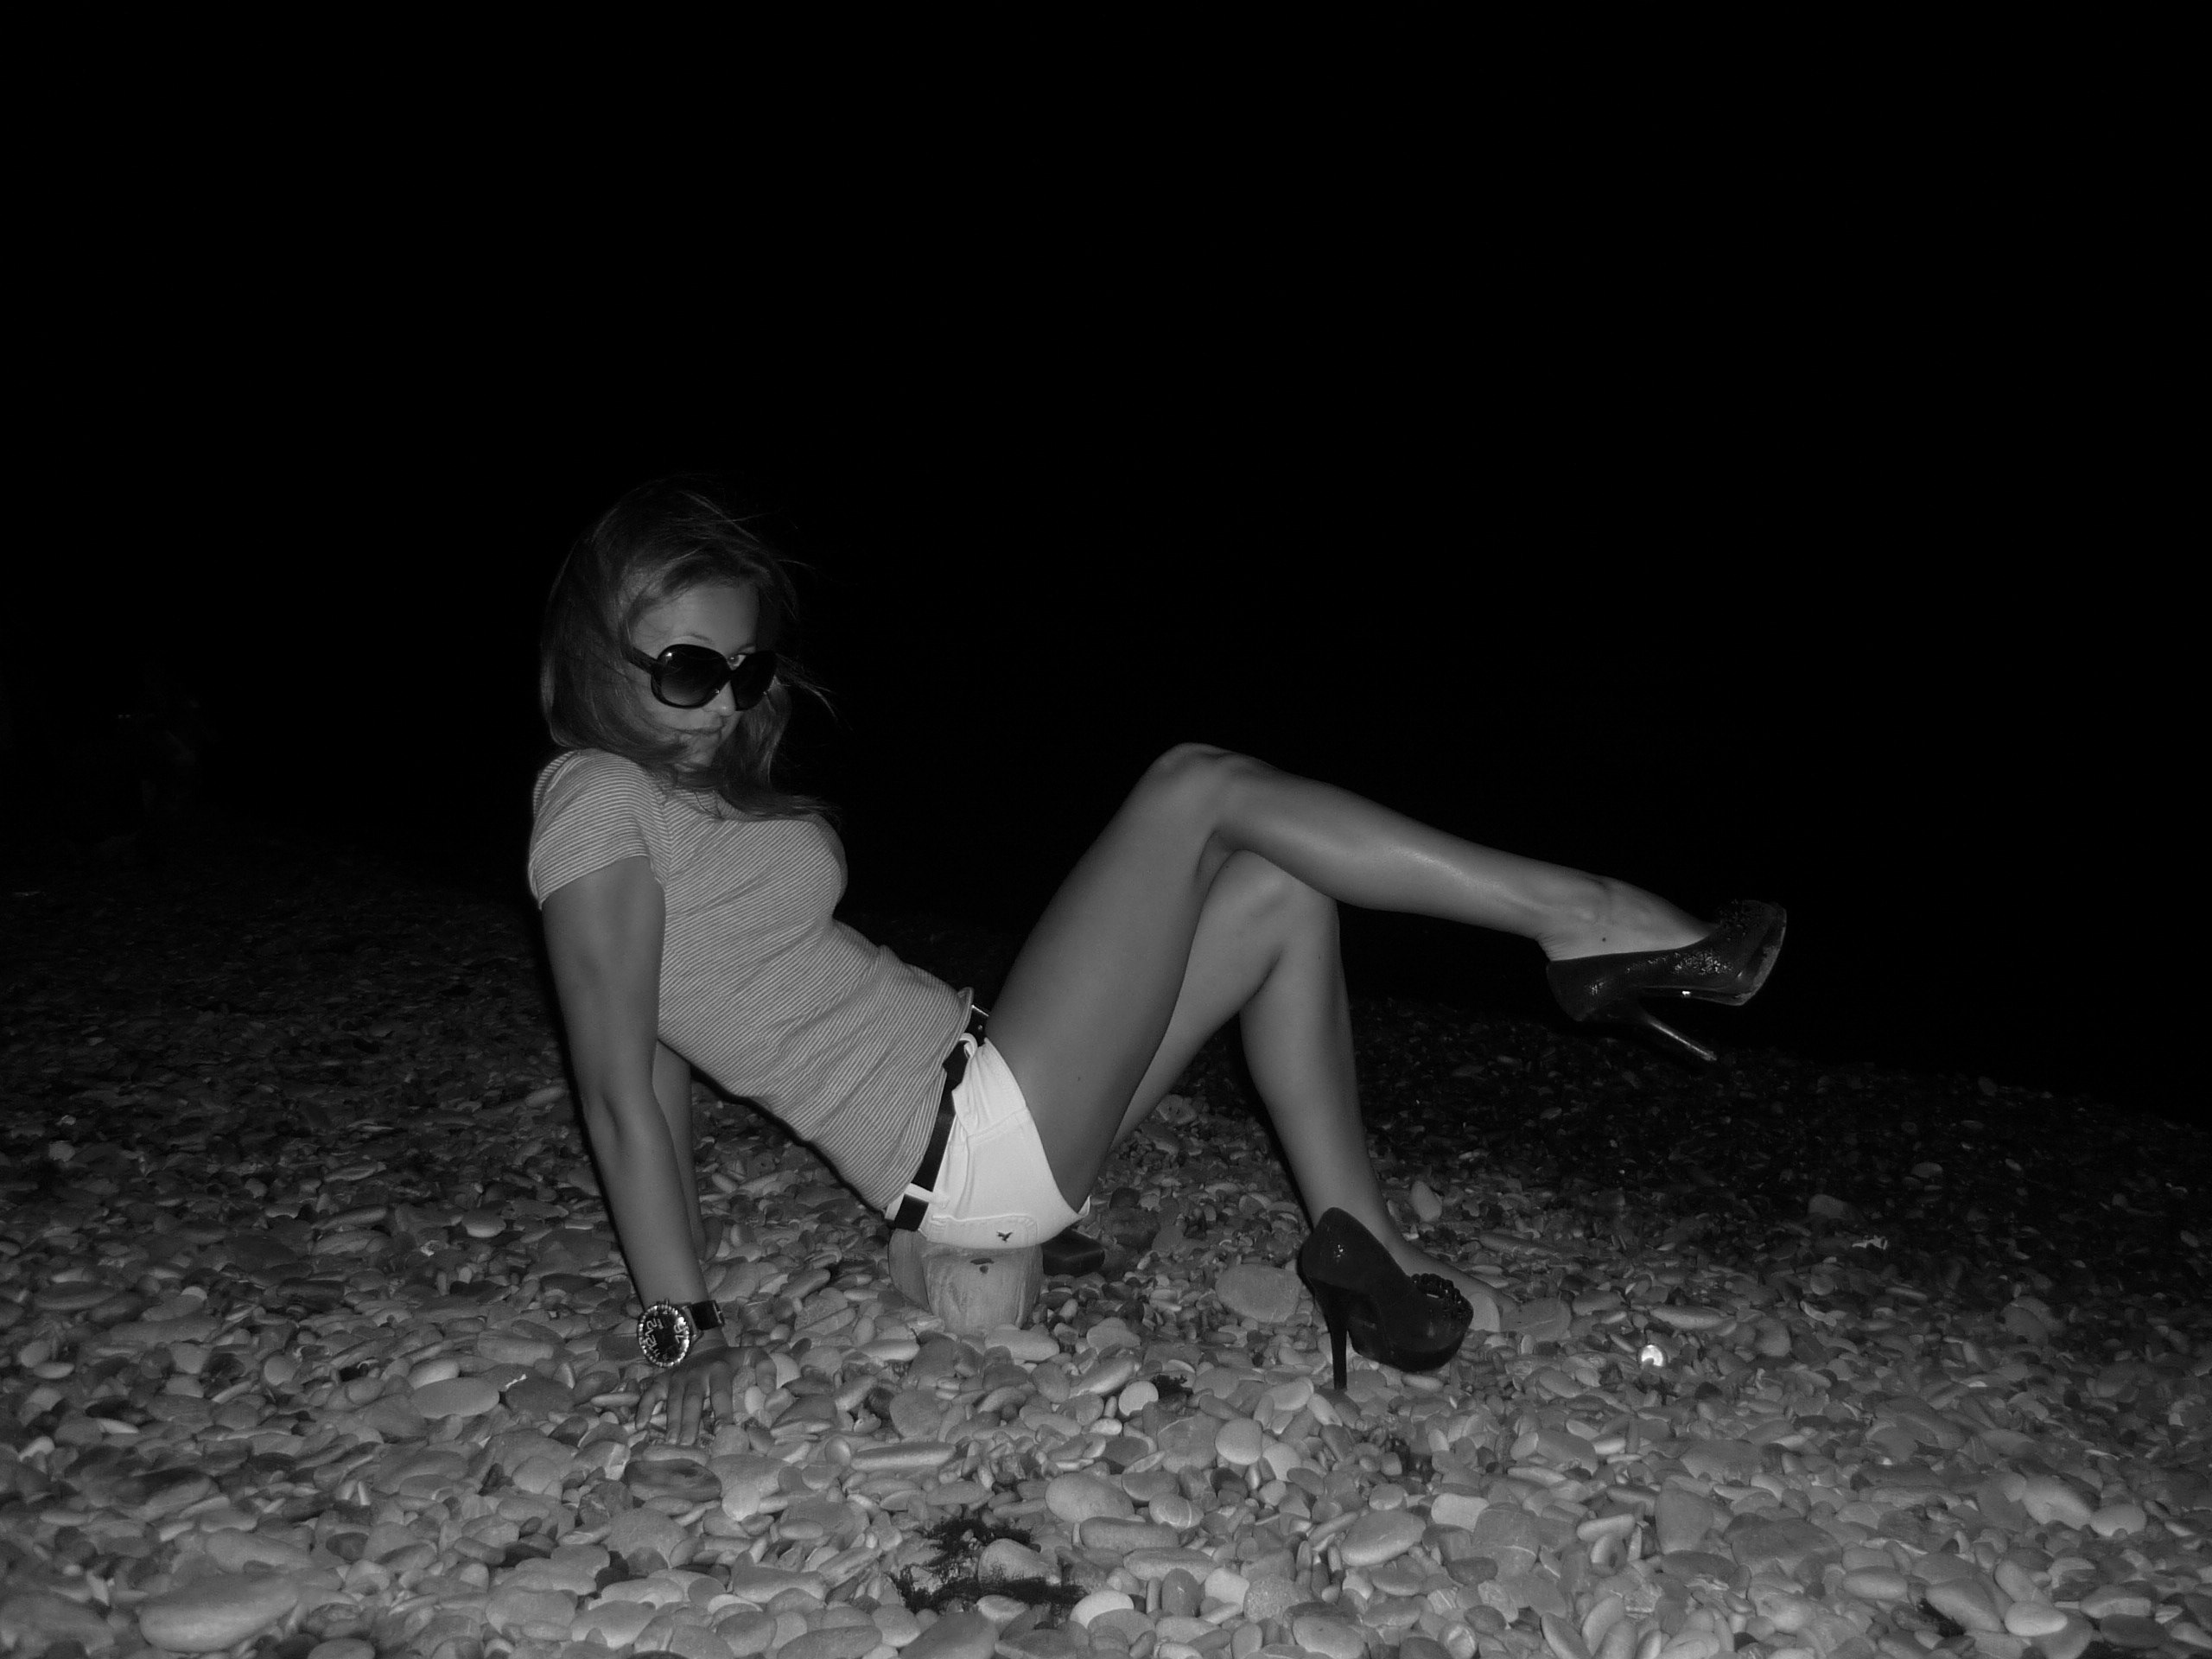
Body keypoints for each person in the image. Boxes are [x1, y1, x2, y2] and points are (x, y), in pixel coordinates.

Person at [530, 481, 1784, 1442]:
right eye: (687, 669)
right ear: (594, 655)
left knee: (1282, 892)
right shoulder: (593, 799)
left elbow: (664, 1053)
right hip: (962, 1142)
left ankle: (1367, 1255)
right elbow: (619, 1090)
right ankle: (1585, 917)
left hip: (987, 1095)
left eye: (742, 669)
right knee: (1196, 785)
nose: (724, 702)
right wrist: (681, 1328)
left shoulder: (675, 799)